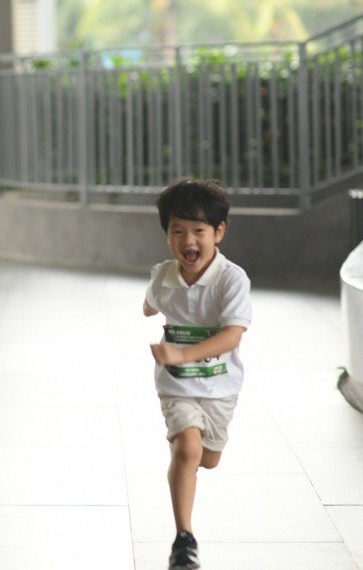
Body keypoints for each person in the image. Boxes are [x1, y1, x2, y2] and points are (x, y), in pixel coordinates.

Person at [142, 177, 252, 570]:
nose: (188, 241)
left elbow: (232, 336)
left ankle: (195, 453)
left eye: (198, 231)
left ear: (218, 232)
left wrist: (182, 352)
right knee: (187, 448)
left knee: (208, 458)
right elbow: (149, 304)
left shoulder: (231, 279)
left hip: (221, 385)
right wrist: (157, 312)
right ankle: (183, 541)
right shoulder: (164, 275)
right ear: (167, 234)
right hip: (176, 385)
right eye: (177, 231)